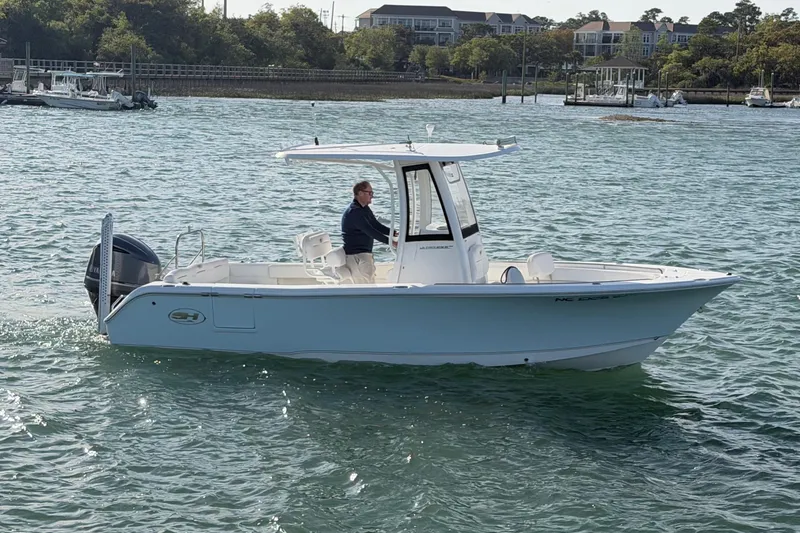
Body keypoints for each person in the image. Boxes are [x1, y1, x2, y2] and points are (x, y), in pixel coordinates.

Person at [341, 180, 395, 284]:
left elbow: (375, 225)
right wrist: (391, 242)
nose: (372, 196)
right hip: (357, 256)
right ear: (360, 193)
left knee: (369, 285)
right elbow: (370, 231)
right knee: (366, 288)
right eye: (370, 193)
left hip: (363, 255)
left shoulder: (364, 208)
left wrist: (393, 233)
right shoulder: (354, 212)